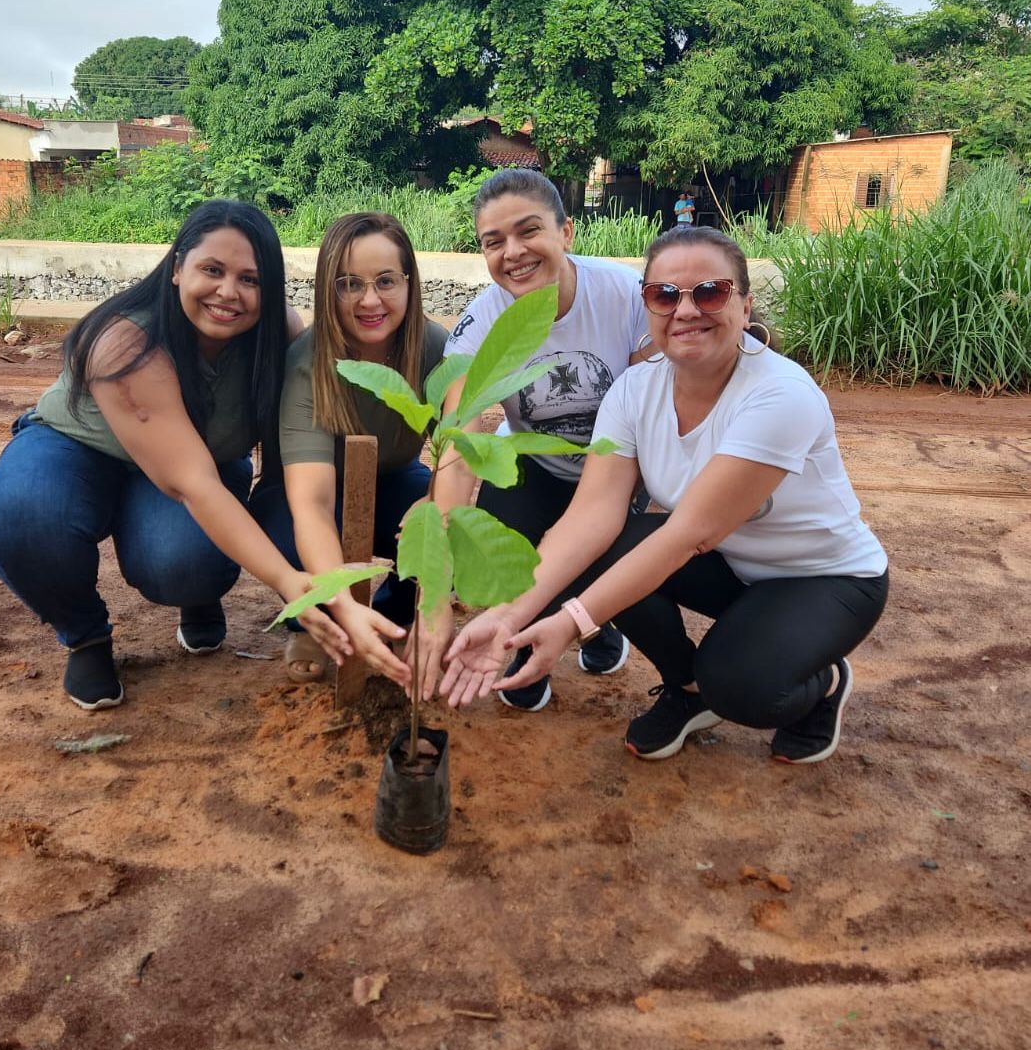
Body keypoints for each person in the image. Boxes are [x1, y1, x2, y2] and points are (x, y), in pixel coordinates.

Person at [441, 225, 889, 765]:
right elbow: (591, 515)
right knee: (600, 549)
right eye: (664, 295)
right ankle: (687, 689)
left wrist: (569, 624)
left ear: (745, 306)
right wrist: (508, 617)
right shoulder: (634, 389)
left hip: (822, 579)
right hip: (731, 567)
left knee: (741, 686)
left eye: (711, 292)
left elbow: (686, 536)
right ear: (647, 306)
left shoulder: (781, 396)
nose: (686, 310)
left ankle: (819, 683)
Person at [0, 200, 343, 711]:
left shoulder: (279, 334)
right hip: (79, 449)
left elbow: (292, 465)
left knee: (183, 562)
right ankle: (85, 635)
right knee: (25, 513)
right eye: (211, 270)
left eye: (250, 280)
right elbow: (193, 483)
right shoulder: (125, 341)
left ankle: (197, 596)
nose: (228, 293)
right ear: (177, 269)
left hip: (195, 469)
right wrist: (289, 583)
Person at [433, 167, 651, 711]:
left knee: (607, 558)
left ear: (567, 233)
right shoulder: (481, 324)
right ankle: (521, 650)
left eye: (529, 231)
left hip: (620, 473)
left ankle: (594, 623)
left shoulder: (626, 296)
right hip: (535, 463)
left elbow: (659, 408)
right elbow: (458, 443)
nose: (513, 252)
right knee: (497, 550)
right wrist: (435, 587)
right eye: (493, 241)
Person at [252, 212, 446, 693]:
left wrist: (437, 502)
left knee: (449, 518)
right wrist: (343, 603)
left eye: (385, 281)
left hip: (394, 481)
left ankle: (391, 619)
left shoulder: (436, 349)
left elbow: (455, 458)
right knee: (287, 526)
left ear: (409, 282)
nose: (370, 300)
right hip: (310, 493)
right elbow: (312, 505)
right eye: (349, 284)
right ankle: (316, 623)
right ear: (326, 289)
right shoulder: (308, 363)